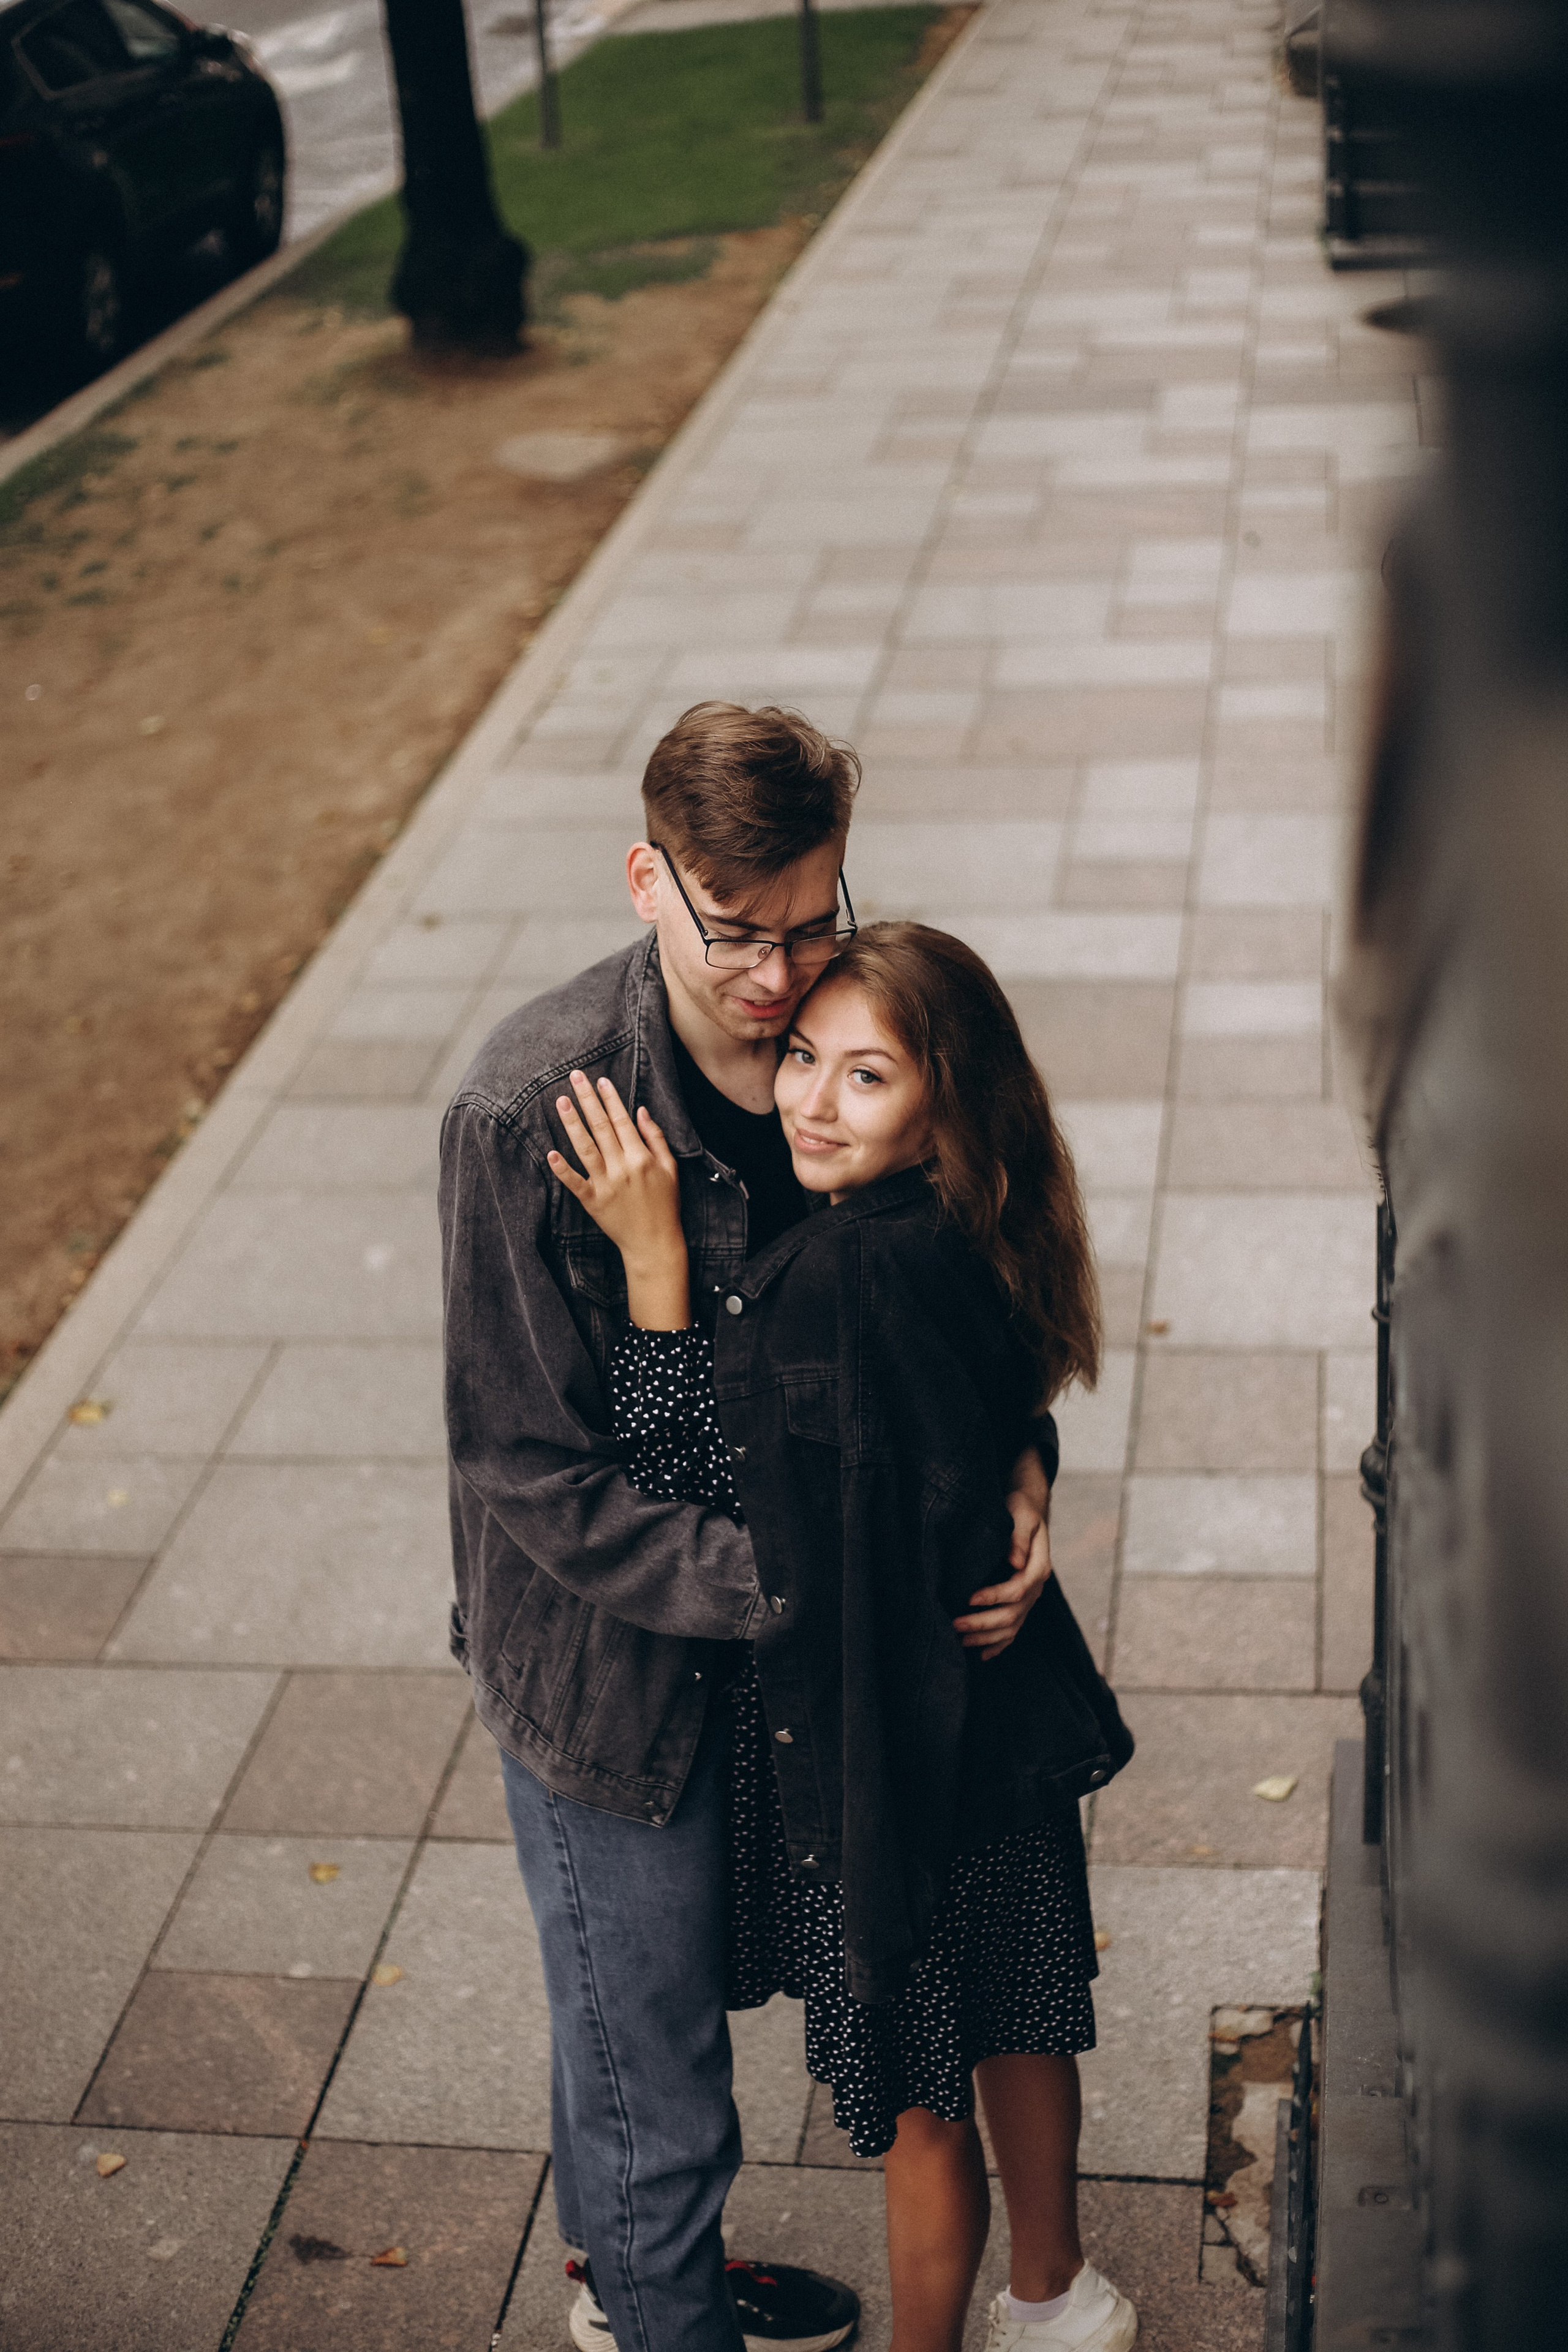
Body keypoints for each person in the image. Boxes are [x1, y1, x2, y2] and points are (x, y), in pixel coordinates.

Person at [438, 704, 1060, 2352]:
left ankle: (634, 2282)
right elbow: (532, 1467)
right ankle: (659, 2300)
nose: (781, 981)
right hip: (610, 1683)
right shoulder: (528, 1110)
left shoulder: (845, 1054)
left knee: (637, 2030)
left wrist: (1019, 1470)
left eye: (813, 922)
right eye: (737, 936)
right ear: (645, 879)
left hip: (793, 1653)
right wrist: (831, 1595)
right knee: (659, 2077)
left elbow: (952, 1297)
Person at [545, 921, 1138, 2352]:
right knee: (1020, 2013)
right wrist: (1026, 1469)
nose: (809, 1099)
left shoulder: (830, 1283)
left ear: (941, 1101)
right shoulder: (976, 1226)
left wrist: (652, 1265)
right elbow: (985, 1413)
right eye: (803, 1058)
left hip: (883, 1750)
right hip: (988, 1732)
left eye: (863, 1077)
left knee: (919, 2097)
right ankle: (1060, 2300)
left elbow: (707, 1495)